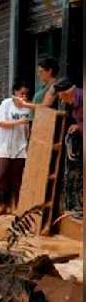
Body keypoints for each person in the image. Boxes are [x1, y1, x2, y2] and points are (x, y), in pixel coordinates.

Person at [0, 82, 32, 215]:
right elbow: (2, 123)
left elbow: (28, 128)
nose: (24, 96)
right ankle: (1, 205)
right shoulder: (6, 104)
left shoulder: (27, 108)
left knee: (17, 177)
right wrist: (20, 122)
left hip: (20, 145)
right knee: (2, 174)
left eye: (26, 94)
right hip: (4, 145)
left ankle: (14, 206)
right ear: (15, 92)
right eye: (22, 93)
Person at [53, 78, 83, 216]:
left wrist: (80, 127)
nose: (61, 99)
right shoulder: (74, 102)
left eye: (60, 96)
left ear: (66, 93)